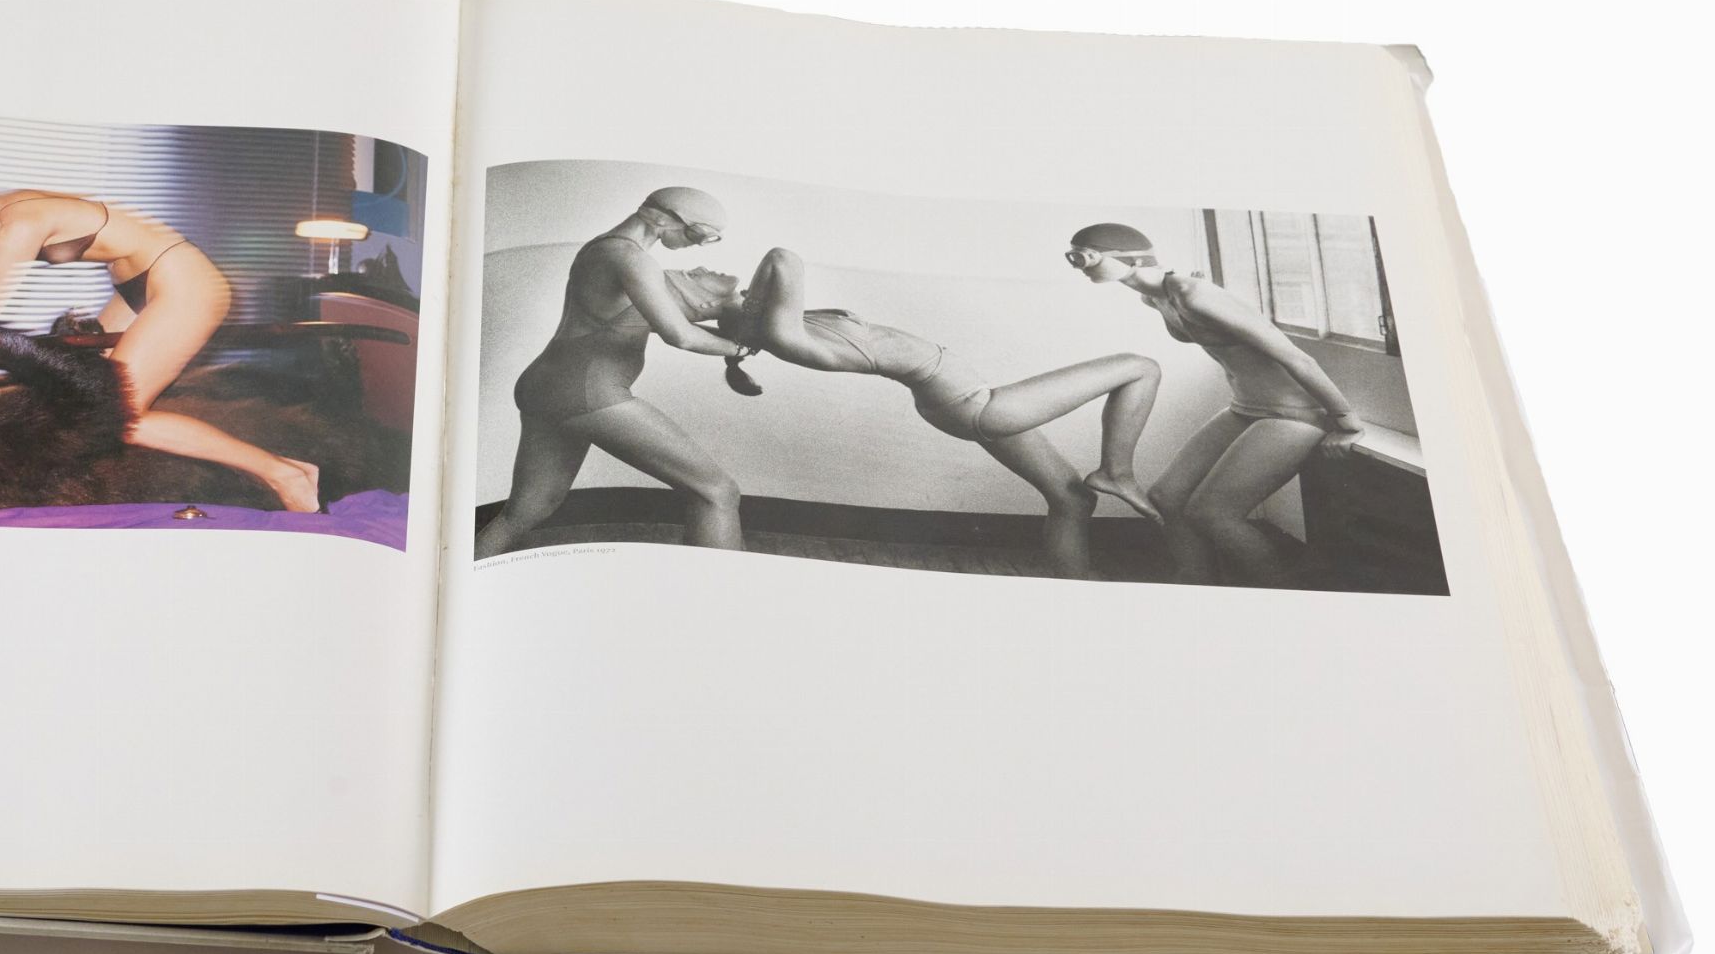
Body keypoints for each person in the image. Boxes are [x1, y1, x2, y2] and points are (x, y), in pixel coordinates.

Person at [721, 247, 1162, 580]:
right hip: (975, 407)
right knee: (1140, 367)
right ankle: (1117, 472)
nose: (709, 272)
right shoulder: (783, 335)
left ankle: (1075, 593)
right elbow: (782, 258)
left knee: (1071, 498)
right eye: (697, 280)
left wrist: (741, 313)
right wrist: (747, 316)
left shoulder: (784, 324)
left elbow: (771, 280)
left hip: (972, 401)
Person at [0, 187, 320, 512]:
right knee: (81, 404)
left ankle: (285, 474)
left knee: (119, 416)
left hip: (183, 278)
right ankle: (287, 468)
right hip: (134, 286)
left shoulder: (20, 222)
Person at [1065, 222, 1366, 583]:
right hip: (1246, 407)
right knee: (1166, 497)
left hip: (1294, 414)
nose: (1078, 265)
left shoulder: (1193, 293)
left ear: (1128, 258)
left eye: (1085, 256)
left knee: (1214, 513)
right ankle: (1196, 581)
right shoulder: (1155, 297)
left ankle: (1285, 595)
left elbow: (1296, 357)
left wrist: (1346, 420)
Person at [474, 186, 755, 558]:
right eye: (698, 233)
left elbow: (650, 323)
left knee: (525, 511)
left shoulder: (606, 249)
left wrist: (732, 335)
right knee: (717, 492)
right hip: (586, 392)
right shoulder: (632, 258)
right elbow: (680, 335)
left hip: (545, 388)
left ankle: (466, 574)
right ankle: (719, 589)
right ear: (660, 217)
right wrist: (740, 349)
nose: (697, 246)